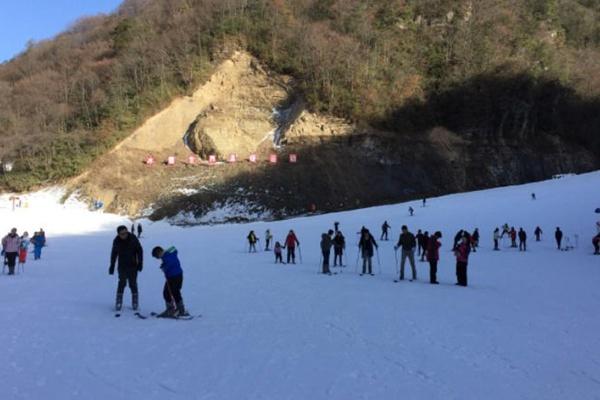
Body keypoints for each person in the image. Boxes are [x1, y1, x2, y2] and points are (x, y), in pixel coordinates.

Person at [109, 226, 143, 311]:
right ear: (119, 234)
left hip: (133, 265)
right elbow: (114, 253)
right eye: (122, 234)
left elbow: (139, 250)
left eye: (126, 233)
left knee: (133, 284)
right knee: (122, 283)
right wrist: (112, 265)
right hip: (122, 266)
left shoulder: (133, 238)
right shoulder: (116, 241)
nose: (125, 235)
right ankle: (119, 301)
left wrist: (140, 262)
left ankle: (135, 302)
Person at [152, 246, 188, 318]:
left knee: (174, 292)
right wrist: (164, 265)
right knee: (168, 292)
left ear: (160, 252)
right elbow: (174, 249)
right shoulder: (169, 253)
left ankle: (180, 310)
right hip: (173, 276)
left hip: (175, 277)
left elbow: (170, 262)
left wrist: (164, 267)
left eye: (157, 257)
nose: (158, 258)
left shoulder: (167, 256)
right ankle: (171, 309)